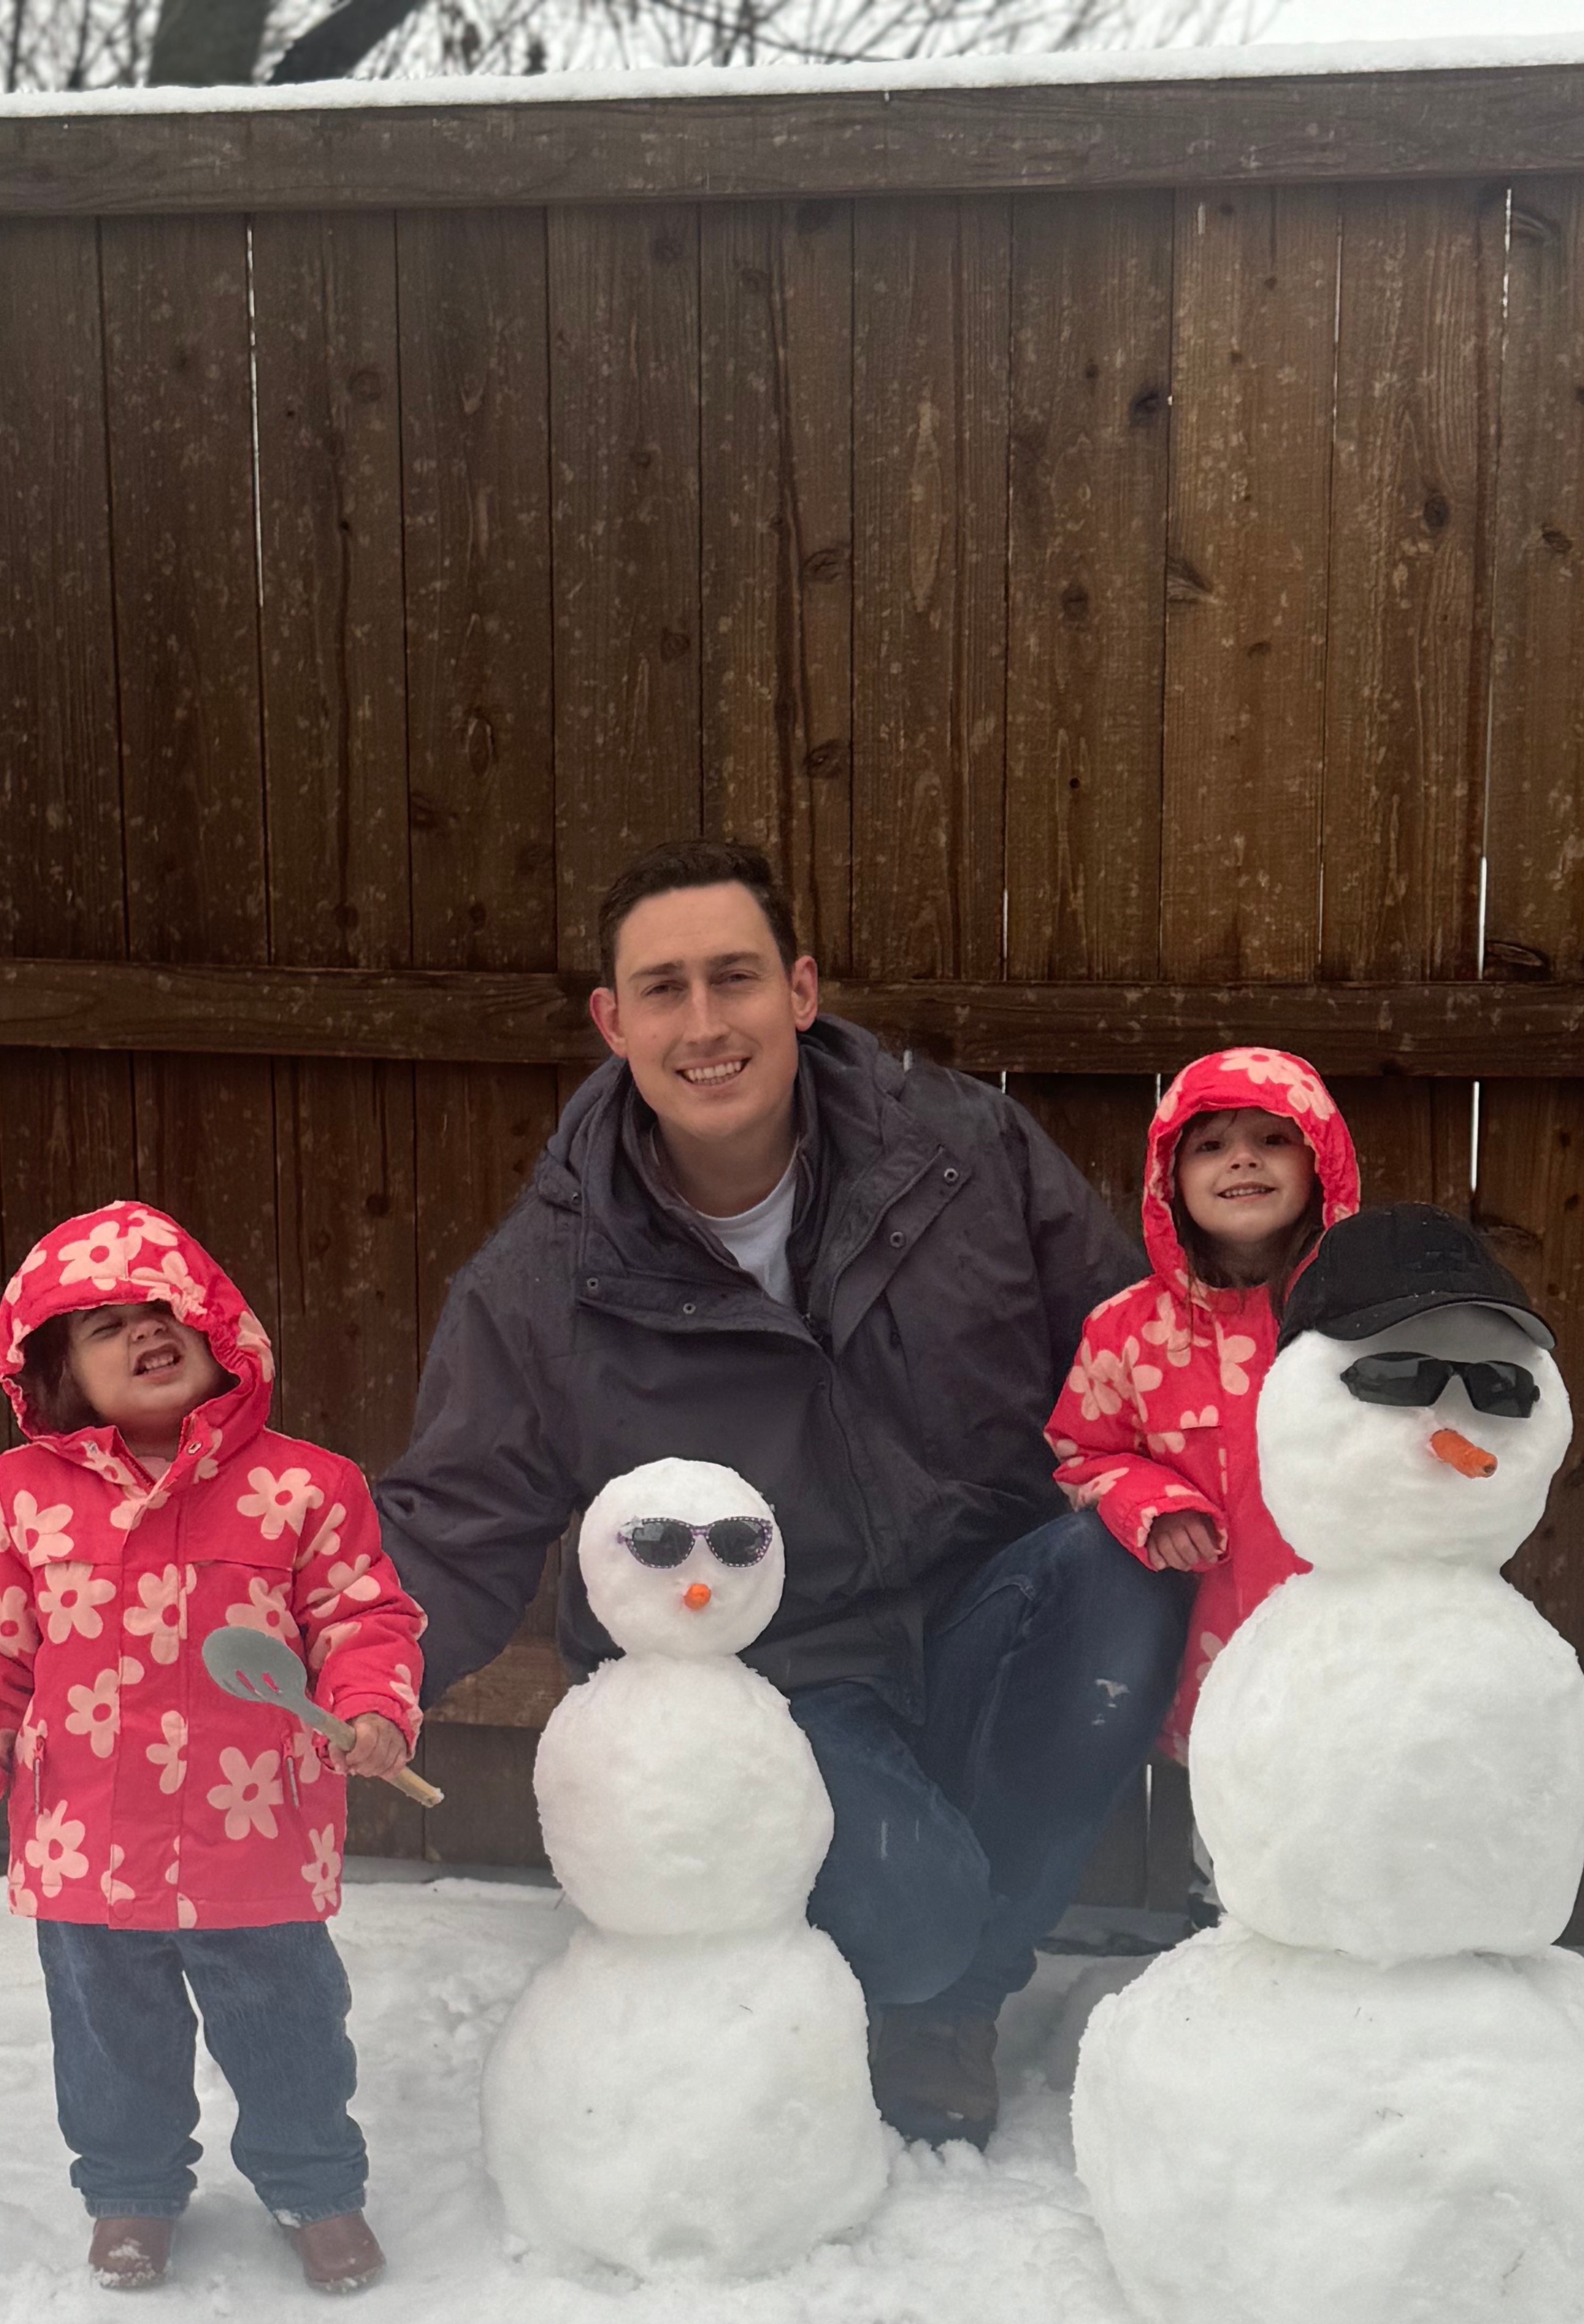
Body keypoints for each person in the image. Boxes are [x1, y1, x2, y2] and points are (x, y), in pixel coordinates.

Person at [376, 838, 1192, 2152]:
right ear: (612, 1022)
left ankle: (955, 2006)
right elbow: (453, 1524)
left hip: (984, 1605)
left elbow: (1136, 1369)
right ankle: (918, 1954)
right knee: (912, 1918)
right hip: (778, 1675)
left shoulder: (967, 1157)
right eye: (663, 990)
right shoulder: (544, 1280)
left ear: (800, 992)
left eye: (735, 978)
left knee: (1135, 1557)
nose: (706, 1025)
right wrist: (342, 1675)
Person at [0, 1205, 426, 2296]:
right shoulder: (23, 1494)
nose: (143, 1335)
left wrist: (370, 1706)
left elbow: (364, 1619)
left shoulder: (307, 1487)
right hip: (89, 1839)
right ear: (55, 1373)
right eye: (104, 1327)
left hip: (258, 1832)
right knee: (110, 2044)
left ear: (219, 1329)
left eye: (161, 1311)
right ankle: (129, 2192)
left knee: (289, 2033)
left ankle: (313, 2184)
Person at [1045, 1052, 1361, 1869]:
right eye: (1211, 1145)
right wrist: (1153, 1502)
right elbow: (1084, 1452)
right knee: (1233, 1821)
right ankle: (1221, 1937)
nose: (1243, 1159)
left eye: (1271, 1140)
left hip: (1349, 1628)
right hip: (1209, 1634)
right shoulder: (1128, 1331)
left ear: (1321, 1163)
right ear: (1170, 1177)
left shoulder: (1363, 1317)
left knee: (1356, 1803)